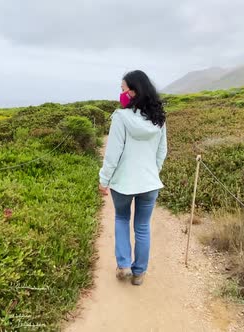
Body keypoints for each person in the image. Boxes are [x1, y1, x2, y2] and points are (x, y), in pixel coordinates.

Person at [98, 70, 167, 286]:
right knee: (143, 226)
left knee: (121, 219)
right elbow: (161, 151)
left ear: (134, 92)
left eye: (123, 89)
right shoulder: (159, 119)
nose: (121, 94)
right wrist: (152, 172)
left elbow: (112, 154)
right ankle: (139, 274)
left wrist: (104, 179)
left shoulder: (121, 117)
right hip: (149, 182)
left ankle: (124, 265)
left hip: (123, 183)